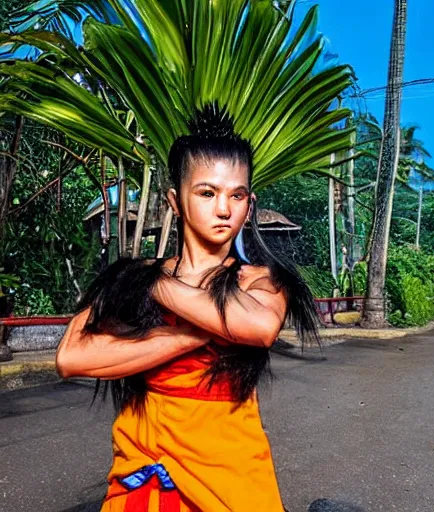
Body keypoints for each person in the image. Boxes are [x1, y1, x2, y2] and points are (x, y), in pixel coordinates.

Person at [56, 105, 320, 511]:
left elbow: (259, 326)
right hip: (142, 463)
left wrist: (153, 286)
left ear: (249, 204)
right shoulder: (138, 275)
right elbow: (72, 355)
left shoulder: (261, 280)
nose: (223, 209)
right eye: (207, 193)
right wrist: (189, 332)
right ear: (175, 202)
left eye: (237, 195)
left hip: (227, 469)